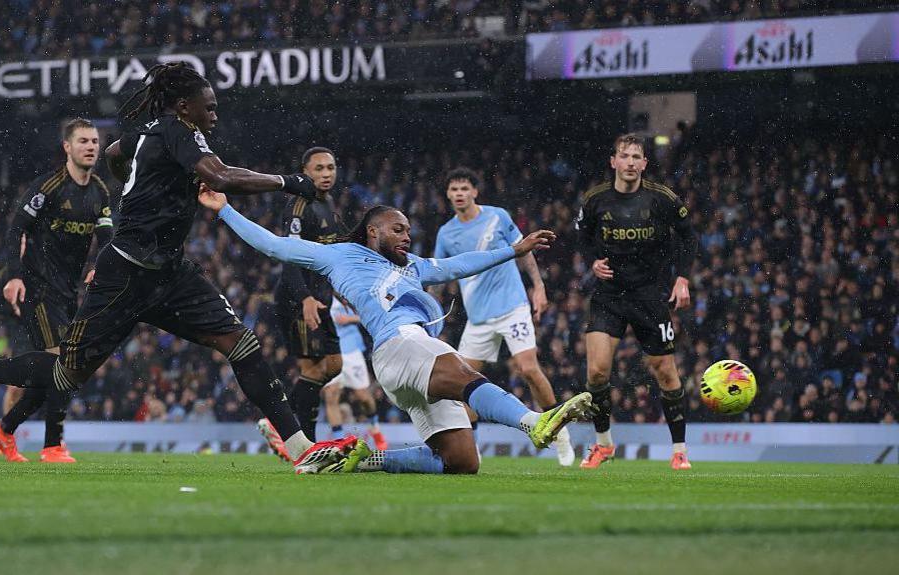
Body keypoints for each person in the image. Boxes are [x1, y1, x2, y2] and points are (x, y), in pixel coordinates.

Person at [0, 62, 356, 474]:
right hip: (126, 274)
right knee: (65, 373)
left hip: (170, 273)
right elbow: (222, 177)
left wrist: (155, 179)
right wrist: (289, 182)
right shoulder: (177, 130)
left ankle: (302, 449)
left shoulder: (150, 133)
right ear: (183, 106)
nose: (215, 114)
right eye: (208, 107)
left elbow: (116, 155)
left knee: (241, 343)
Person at [201, 188, 595, 474]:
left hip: (408, 357)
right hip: (399, 343)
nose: (407, 236)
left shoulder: (414, 266)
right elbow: (275, 246)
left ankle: (364, 459)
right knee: (462, 371)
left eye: (408, 230)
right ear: (373, 232)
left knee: (461, 461)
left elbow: (458, 264)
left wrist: (514, 250)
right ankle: (533, 422)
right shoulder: (339, 255)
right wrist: (225, 210)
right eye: (398, 229)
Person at [0, 118, 113, 464]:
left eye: (95, 141)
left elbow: (106, 236)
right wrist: (14, 276)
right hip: (39, 288)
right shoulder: (49, 187)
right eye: (83, 141)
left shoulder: (100, 191)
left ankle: (3, 425)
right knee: (62, 364)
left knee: (54, 372)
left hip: (69, 292)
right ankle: (53, 445)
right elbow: (16, 229)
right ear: (67, 147)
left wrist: (101, 265)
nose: (91, 146)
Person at [433, 167, 575, 467]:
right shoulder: (446, 233)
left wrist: (538, 286)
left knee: (528, 368)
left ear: (475, 192)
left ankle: (560, 432)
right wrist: (430, 311)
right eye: (454, 189)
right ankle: (471, 449)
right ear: (448, 194)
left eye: (464, 188)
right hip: (478, 318)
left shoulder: (498, 216)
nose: (459, 194)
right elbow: (438, 274)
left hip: (512, 306)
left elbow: (524, 251)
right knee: (460, 383)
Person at [574, 133, 697, 470]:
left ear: (644, 163)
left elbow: (689, 236)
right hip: (609, 295)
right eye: (624, 156)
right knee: (596, 372)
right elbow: (582, 238)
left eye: (636, 157)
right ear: (613, 161)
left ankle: (679, 450)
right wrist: (592, 262)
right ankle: (603, 445)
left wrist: (682, 278)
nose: (629, 163)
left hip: (650, 296)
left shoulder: (662, 199)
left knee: (665, 372)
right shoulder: (595, 200)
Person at [257, 147, 347, 452]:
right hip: (298, 300)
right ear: (305, 172)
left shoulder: (328, 203)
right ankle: (306, 445)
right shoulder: (298, 206)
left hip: (321, 298)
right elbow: (289, 259)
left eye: (330, 168)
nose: (326, 174)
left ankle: (276, 423)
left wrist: (340, 288)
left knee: (333, 364)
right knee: (311, 370)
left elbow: (333, 253)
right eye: (319, 168)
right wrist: (305, 297)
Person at [323, 295, 389, 450]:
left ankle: (375, 428)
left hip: (351, 350)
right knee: (331, 395)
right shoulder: (318, 292)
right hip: (330, 351)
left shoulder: (345, 291)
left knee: (363, 396)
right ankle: (340, 442)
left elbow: (371, 313)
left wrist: (350, 319)